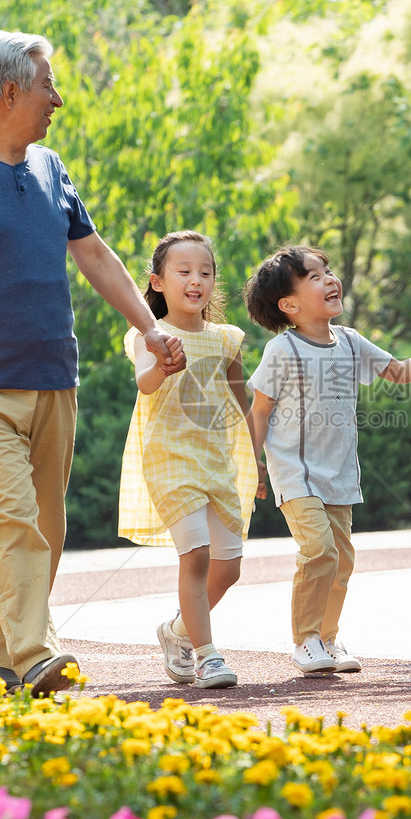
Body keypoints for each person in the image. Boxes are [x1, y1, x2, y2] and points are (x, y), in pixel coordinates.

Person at [0, 29, 184, 697]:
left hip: (55, 377)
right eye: (46, 84)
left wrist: (150, 327)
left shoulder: (52, 168)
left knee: (46, 531)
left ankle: (0, 655)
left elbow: (95, 257)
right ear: (9, 92)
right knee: (14, 522)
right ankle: (35, 655)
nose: (57, 97)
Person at [244, 245, 411, 676]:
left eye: (328, 272)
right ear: (288, 305)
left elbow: (397, 371)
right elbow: (261, 411)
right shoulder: (282, 350)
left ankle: (327, 636)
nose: (329, 279)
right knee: (319, 550)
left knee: (342, 560)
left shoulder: (348, 341)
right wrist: (254, 465)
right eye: (314, 276)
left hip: (341, 475)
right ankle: (305, 640)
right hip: (295, 474)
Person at [118, 230, 258, 689]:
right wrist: (163, 364)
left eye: (205, 272)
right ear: (158, 282)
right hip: (170, 460)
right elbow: (145, 382)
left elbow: (244, 401)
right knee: (195, 556)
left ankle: (176, 631)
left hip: (217, 461)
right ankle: (209, 655)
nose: (195, 280)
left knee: (229, 567)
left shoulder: (225, 338)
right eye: (184, 272)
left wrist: (258, 461)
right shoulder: (149, 336)